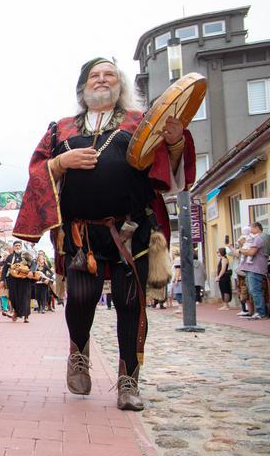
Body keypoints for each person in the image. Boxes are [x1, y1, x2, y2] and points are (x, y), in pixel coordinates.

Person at [13, 57, 195, 411]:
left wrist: (173, 143)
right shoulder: (60, 130)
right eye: (94, 76)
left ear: (120, 84)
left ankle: (129, 381)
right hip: (81, 234)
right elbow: (37, 170)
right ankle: (78, 350)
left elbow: (171, 173)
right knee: (80, 299)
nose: (101, 80)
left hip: (132, 230)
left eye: (109, 74)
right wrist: (60, 163)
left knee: (130, 304)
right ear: (82, 87)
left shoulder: (141, 122)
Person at [241, 222, 270, 320]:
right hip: (255, 267)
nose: (250, 231)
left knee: (255, 290)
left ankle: (260, 312)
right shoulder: (263, 238)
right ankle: (259, 311)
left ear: (257, 228)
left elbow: (251, 252)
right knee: (254, 290)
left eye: (252, 228)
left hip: (255, 268)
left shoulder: (258, 238)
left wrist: (241, 251)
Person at [0, 241, 34, 323]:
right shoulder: (10, 257)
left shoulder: (26, 255)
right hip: (13, 281)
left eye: (19, 245)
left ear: (21, 246)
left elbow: (34, 264)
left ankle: (26, 316)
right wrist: (2, 280)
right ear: (13, 247)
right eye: (16, 245)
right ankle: (16, 311)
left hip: (25, 280)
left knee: (25, 297)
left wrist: (31, 271)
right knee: (13, 297)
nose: (18, 247)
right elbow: (4, 269)